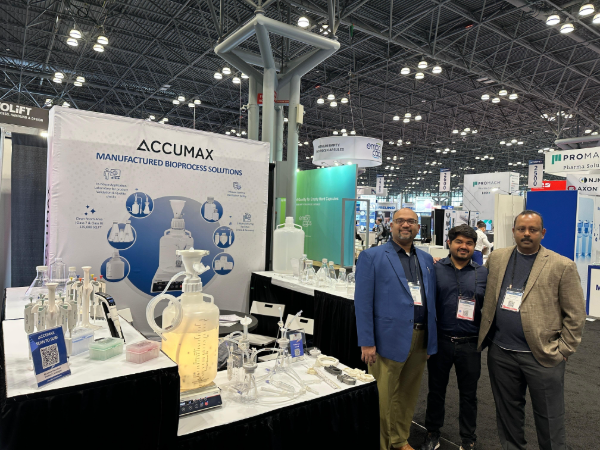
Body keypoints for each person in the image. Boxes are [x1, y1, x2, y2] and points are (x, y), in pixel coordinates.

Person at [478, 210, 586, 450]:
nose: (526, 234)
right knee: (507, 413)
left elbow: (576, 313)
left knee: (549, 416)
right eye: (521, 229)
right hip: (501, 352)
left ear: (542, 233)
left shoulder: (562, 265)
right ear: (514, 231)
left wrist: (564, 349)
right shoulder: (498, 258)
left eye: (533, 230)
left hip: (542, 355)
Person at [355, 208, 438, 450]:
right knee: (383, 396)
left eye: (411, 221)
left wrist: (431, 341)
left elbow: (431, 299)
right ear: (391, 225)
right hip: (386, 339)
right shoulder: (372, 256)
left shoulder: (426, 260)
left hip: (421, 337)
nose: (406, 225)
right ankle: (381, 444)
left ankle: (400, 440)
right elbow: (362, 303)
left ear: (418, 227)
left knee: (408, 394)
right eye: (400, 221)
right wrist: (367, 342)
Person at [422, 224, 488, 450]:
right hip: (440, 341)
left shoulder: (483, 273)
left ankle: (468, 439)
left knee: (469, 394)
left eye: (469, 243)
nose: (464, 246)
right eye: (459, 241)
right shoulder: (435, 269)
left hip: (470, 344)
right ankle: (432, 433)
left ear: (474, 246)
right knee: (436, 391)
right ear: (449, 243)